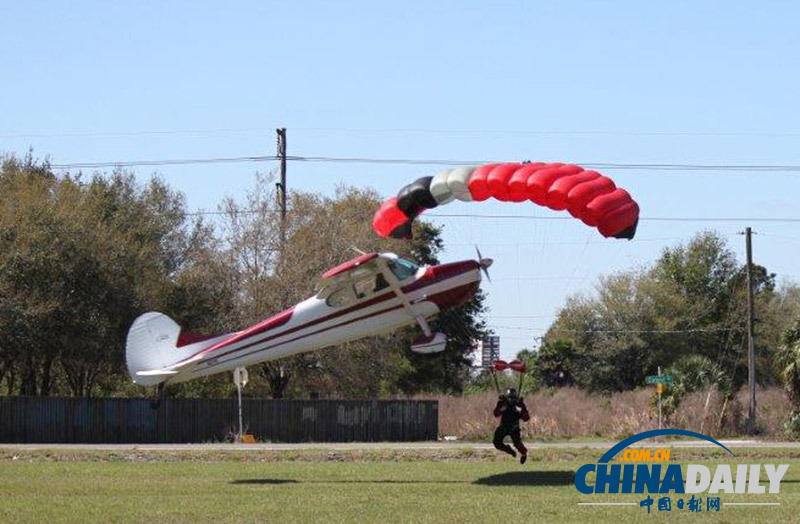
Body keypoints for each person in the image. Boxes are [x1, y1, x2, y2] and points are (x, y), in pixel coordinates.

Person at [492, 388, 529, 464]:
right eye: (509, 397)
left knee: (518, 444)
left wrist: (520, 410)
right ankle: (509, 450)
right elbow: (496, 414)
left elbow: (526, 418)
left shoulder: (519, 404)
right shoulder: (502, 403)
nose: (511, 399)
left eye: (513, 397)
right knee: (496, 443)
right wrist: (502, 409)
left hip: (514, 428)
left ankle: (524, 454)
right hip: (503, 427)